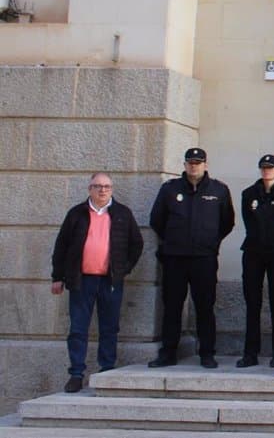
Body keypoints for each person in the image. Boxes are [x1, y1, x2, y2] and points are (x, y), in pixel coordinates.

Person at [51, 173, 144, 392]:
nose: (103, 190)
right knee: (78, 328)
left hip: (110, 280)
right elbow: (61, 246)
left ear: (112, 189)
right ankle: (76, 373)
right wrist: (57, 276)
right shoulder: (77, 214)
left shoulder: (122, 213)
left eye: (107, 186)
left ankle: (107, 369)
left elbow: (136, 244)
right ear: (89, 189)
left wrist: (123, 269)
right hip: (80, 280)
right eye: (98, 186)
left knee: (109, 327)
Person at [149, 148, 235, 369]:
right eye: (190, 163)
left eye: (198, 162)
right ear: (185, 165)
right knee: (172, 307)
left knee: (205, 307)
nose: (194, 166)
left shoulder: (219, 190)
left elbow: (227, 222)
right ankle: (168, 353)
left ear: (205, 165)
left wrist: (210, 243)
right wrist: (173, 241)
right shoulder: (170, 189)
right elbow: (157, 220)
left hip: (204, 259)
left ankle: (207, 353)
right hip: (174, 259)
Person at [237, 154, 274, 369]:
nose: (267, 171)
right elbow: (248, 221)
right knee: (252, 303)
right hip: (253, 252)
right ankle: (250, 352)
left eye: (271, 168)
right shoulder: (249, 194)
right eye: (263, 167)